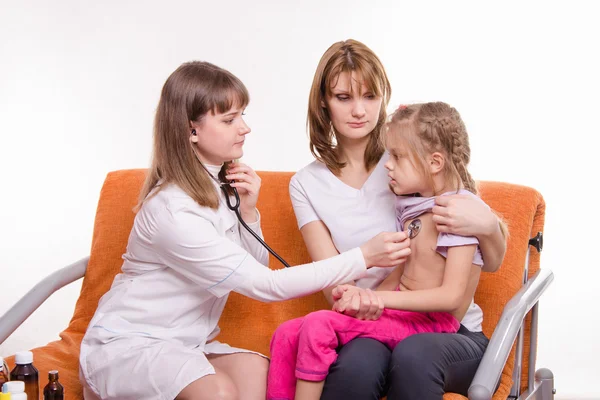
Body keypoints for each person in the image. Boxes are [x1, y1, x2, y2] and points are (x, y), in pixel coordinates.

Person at [77, 61, 410, 400]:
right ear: (191, 130)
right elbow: (266, 285)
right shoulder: (172, 211)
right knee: (219, 392)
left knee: (262, 373)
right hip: (128, 345)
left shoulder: (218, 187)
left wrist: (249, 213)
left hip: (185, 343)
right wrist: (364, 256)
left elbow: (254, 267)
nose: (245, 128)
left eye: (242, 115)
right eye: (229, 119)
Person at [288, 40, 507, 399]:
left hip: (441, 328)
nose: (359, 110)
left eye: (370, 96)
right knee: (356, 368)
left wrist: (486, 224)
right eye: (344, 97)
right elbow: (332, 285)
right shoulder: (307, 184)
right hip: (373, 320)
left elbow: (489, 256)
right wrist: (367, 256)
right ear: (323, 103)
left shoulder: (410, 159)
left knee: (413, 357)